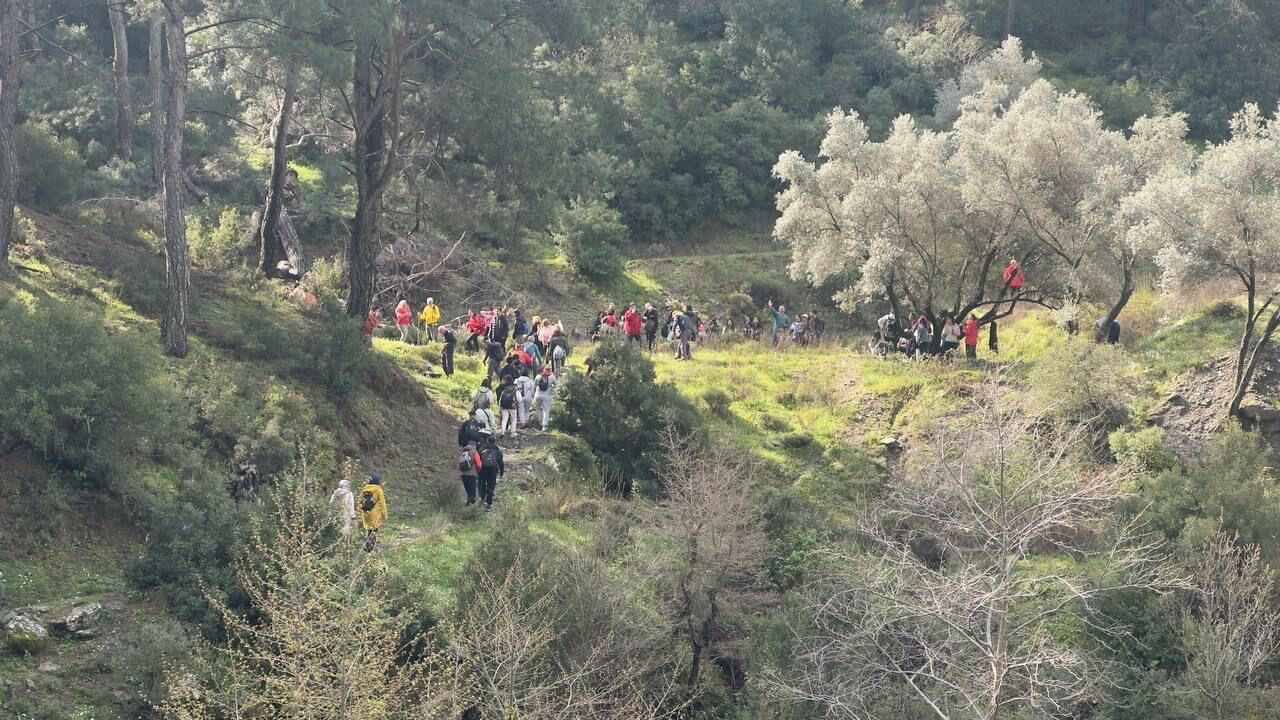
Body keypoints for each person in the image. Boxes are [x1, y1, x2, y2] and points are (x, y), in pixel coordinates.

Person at [475, 431, 504, 512]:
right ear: (494, 442)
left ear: (487, 441)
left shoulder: (482, 449)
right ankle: (489, 505)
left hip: (483, 470)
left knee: (482, 484)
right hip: (493, 470)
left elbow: (477, 460)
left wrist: (477, 470)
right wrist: (501, 472)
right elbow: (501, 463)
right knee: (491, 486)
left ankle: (482, 498)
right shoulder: (497, 451)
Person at [358, 474, 387, 552]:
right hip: (375, 514)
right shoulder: (378, 489)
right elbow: (382, 503)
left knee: (368, 530)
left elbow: (360, 501)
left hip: (365, 513)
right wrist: (384, 515)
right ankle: (369, 549)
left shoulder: (364, 489)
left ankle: (366, 546)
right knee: (374, 531)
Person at [458, 442, 482, 506]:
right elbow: (479, 464)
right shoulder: (474, 452)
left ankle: (470, 504)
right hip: (472, 475)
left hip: (464, 475)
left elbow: (460, 464)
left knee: (469, 492)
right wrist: (478, 471)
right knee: (472, 493)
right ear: (473, 445)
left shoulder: (463, 453)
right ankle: (468, 506)